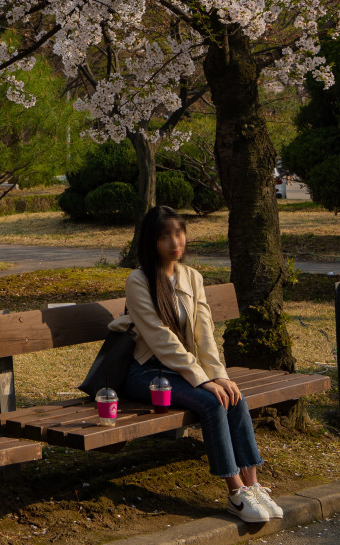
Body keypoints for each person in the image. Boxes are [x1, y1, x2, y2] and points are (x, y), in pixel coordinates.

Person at [116, 204, 282, 523]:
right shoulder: (138, 281)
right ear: (151, 241)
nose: (175, 242)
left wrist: (218, 376)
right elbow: (159, 336)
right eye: (165, 236)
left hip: (181, 369)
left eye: (179, 233)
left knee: (233, 395)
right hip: (146, 372)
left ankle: (254, 485)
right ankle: (235, 493)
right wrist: (202, 380)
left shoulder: (192, 277)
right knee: (211, 403)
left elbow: (205, 332)